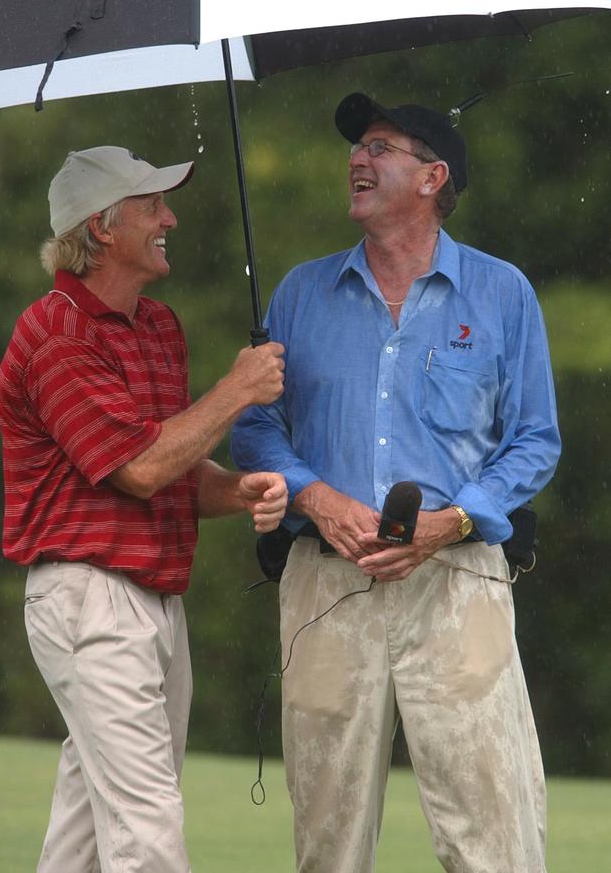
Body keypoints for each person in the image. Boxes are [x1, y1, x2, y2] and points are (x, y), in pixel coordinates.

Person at [231, 93, 561, 873]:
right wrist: (315, 496)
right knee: (328, 838)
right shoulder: (299, 294)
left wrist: (457, 520)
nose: (358, 159)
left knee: (493, 835)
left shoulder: (502, 292)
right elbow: (252, 425)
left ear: (432, 177)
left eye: (380, 147)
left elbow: (535, 441)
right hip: (324, 582)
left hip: (457, 576)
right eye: (357, 148)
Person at [0, 145, 287, 873]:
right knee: (147, 830)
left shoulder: (156, 326)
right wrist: (238, 388)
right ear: (102, 227)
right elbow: (139, 468)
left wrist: (236, 489)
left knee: (91, 830)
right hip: (87, 598)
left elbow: (172, 465)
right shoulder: (56, 335)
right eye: (152, 206)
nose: (170, 218)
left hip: (152, 599)